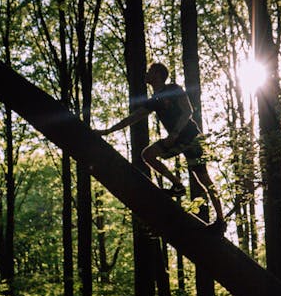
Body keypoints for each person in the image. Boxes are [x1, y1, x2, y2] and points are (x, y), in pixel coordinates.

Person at [94, 62, 226, 233]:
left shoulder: (174, 88)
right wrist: (107, 131)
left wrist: (175, 133)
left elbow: (188, 111)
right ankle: (178, 186)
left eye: (149, 71)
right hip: (176, 140)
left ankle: (220, 221)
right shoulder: (154, 101)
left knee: (204, 179)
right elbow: (132, 118)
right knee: (148, 154)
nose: (146, 74)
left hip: (191, 138)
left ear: (157, 74)